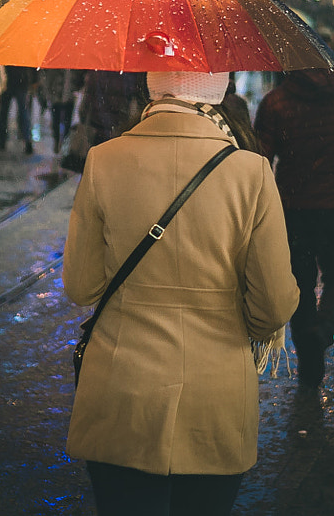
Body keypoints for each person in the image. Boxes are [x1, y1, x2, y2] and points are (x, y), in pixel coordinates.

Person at [64, 70, 299, 515]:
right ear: (218, 90)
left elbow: (81, 286)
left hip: (121, 391)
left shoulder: (103, 160)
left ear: (153, 86)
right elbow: (272, 305)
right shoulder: (251, 171)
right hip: (214, 396)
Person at [253, 67, 334, 386]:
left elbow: (259, 156)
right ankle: (324, 330)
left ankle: (310, 369)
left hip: (294, 208)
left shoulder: (277, 102)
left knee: (300, 283)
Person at [0, 65, 38, 153]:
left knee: (4, 113)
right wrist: (34, 80)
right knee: (23, 112)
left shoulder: (6, 52)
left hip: (8, 82)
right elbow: (33, 64)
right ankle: (27, 141)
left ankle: (2, 141)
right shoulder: (25, 52)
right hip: (22, 81)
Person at [38, 68, 77, 153]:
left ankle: (64, 142)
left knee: (67, 122)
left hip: (69, 96)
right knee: (56, 120)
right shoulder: (54, 68)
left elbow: (77, 80)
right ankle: (57, 142)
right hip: (56, 97)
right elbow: (48, 81)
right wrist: (49, 94)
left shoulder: (73, 67)